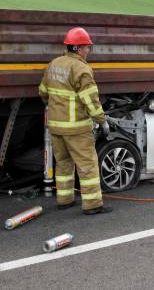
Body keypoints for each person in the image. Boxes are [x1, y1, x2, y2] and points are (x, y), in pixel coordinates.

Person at [39, 27, 113, 215]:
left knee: (63, 163)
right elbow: (91, 100)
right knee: (87, 165)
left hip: (55, 126)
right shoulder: (81, 68)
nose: (88, 51)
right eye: (87, 47)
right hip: (77, 128)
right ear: (79, 48)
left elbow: (43, 92)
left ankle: (64, 200)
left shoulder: (54, 64)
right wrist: (102, 121)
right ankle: (93, 205)